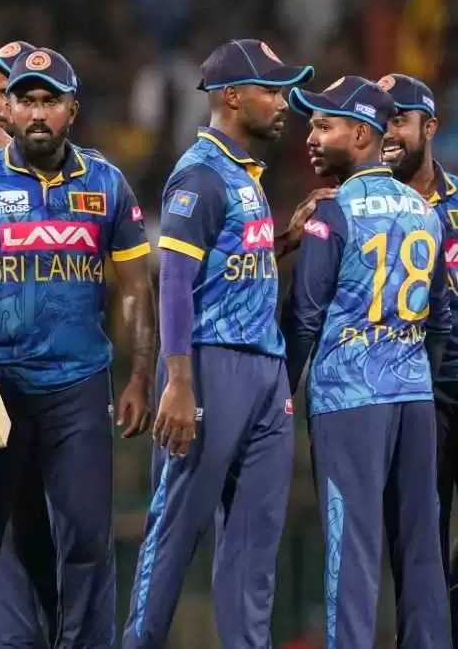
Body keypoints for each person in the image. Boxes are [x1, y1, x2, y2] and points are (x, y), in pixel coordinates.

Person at [0, 46, 155, 649]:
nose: (35, 113)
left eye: (49, 101)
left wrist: (141, 377)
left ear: (71, 110)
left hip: (78, 384)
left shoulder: (106, 183)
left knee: (85, 537)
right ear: (10, 107)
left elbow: (136, 288)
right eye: (25, 100)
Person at [123, 39, 313, 649]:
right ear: (232, 97)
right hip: (208, 366)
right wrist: (178, 382)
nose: (283, 103)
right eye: (271, 91)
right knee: (175, 531)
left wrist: (280, 243)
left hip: (264, 371)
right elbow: (175, 281)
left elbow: (226, 265)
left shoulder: (243, 174)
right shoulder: (200, 174)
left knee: (255, 546)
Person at [285, 74, 451, 648]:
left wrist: (282, 394)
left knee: (351, 548)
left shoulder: (332, 214)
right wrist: (417, 372)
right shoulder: (425, 211)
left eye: (324, 126)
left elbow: (304, 317)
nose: (312, 138)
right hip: (415, 397)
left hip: (349, 399)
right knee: (421, 549)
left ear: (361, 135)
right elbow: (441, 319)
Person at [377, 73, 458, 643]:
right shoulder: (363, 206)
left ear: (429, 127)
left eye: (399, 121)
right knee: (415, 540)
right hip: (411, 390)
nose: (388, 132)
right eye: (380, 120)